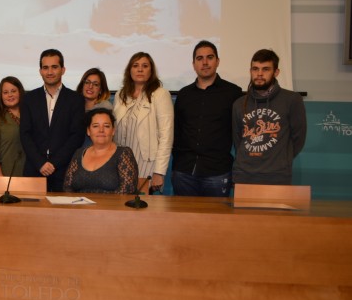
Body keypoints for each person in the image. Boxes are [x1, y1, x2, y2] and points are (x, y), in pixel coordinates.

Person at [171, 41, 243, 196]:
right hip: (184, 172)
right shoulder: (184, 95)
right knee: (182, 220)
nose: (204, 62)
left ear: (217, 61)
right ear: (193, 64)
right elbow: (176, 132)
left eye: (209, 57)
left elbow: (240, 133)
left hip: (218, 172)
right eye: (199, 58)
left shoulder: (233, 93)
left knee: (216, 220)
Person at [232, 49, 307, 185]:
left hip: (277, 176)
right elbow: (238, 139)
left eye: (265, 69)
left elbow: (298, 139)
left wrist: (281, 161)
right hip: (243, 175)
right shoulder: (239, 104)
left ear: (276, 72)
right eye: (255, 69)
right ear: (250, 71)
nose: (259, 74)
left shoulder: (291, 100)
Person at [20, 49, 85, 192]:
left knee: (63, 214)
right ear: (40, 71)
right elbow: (25, 134)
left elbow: (77, 136)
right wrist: (41, 163)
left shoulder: (76, 100)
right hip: (34, 169)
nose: (50, 72)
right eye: (45, 68)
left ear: (63, 70)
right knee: (31, 213)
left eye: (54, 67)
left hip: (64, 170)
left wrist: (54, 163)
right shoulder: (29, 99)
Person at [113, 52, 173, 194]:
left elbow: (166, 135)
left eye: (145, 66)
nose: (140, 69)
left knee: (144, 210)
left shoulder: (160, 95)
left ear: (151, 71)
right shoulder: (120, 95)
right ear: (130, 70)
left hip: (147, 164)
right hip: (121, 163)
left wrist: (159, 172)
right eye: (135, 66)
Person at [64, 108, 138, 194]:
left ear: (113, 130)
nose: (101, 130)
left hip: (111, 206)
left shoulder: (124, 153)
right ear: (88, 131)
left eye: (106, 126)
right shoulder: (79, 153)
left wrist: (98, 204)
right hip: (79, 206)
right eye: (95, 126)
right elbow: (67, 187)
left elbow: (127, 190)